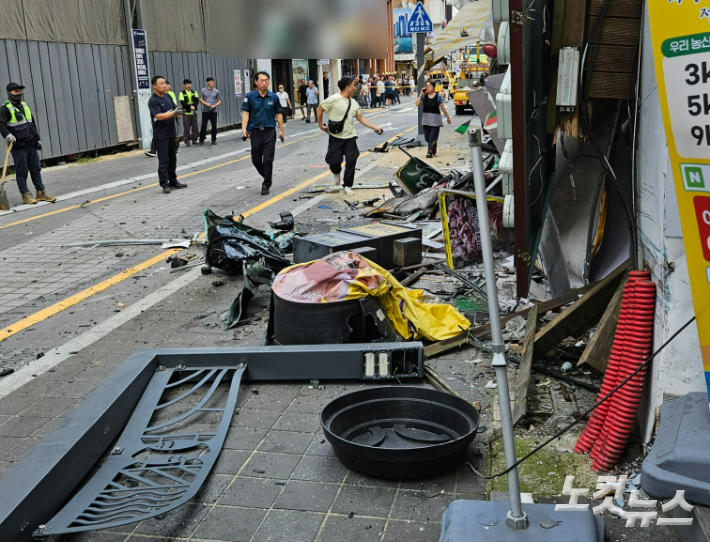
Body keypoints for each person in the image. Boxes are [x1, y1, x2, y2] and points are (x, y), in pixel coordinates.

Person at [317, 76, 383, 196]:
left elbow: (361, 118)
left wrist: (375, 127)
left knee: (352, 159)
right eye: (353, 85)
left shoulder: (354, 103)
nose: (355, 88)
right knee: (335, 161)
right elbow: (319, 109)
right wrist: (321, 125)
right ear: (347, 87)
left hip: (350, 137)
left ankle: (347, 185)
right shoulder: (334, 99)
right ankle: (336, 172)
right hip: (335, 137)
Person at [0, 82, 55, 204]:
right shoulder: (5, 108)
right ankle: (25, 195)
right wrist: (8, 135)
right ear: (9, 93)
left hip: (31, 144)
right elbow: (1, 125)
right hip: (18, 146)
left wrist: (37, 139)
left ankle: (41, 192)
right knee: (22, 170)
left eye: (20, 91)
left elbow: (32, 124)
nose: (19, 93)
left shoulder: (25, 105)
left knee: (36, 169)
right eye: (16, 91)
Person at [241, 71, 284, 196]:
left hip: (270, 131)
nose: (264, 83)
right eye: (261, 80)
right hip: (255, 132)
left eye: (266, 80)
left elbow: (279, 113)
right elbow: (246, 113)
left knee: (268, 159)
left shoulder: (274, 97)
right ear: (256, 82)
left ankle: (266, 184)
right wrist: (244, 129)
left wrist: (281, 130)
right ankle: (267, 175)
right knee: (256, 159)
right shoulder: (250, 97)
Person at [148, 75, 187, 194]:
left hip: (171, 134)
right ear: (154, 86)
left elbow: (175, 110)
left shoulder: (168, 97)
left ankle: (173, 181)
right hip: (161, 136)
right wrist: (173, 113)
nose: (164, 85)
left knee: (172, 160)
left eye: (165, 83)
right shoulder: (153, 100)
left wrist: (179, 113)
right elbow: (159, 116)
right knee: (164, 161)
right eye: (161, 83)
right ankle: (164, 184)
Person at [416, 79, 451, 159]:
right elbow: (417, 104)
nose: (427, 87)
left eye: (429, 86)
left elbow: (442, 108)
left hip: (435, 120)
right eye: (426, 86)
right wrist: (420, 95)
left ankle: (429, 152)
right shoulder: (424, 96)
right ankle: (433, 146)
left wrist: (448, 117)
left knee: (432, 136)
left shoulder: (438, 96)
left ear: (433, 87)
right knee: (427, 137)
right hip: (426, 120)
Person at [199, 77, 222, 145]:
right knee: (203, 125)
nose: (212, 83)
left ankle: (213, 140)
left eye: (213, 82)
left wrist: (215, 105)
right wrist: (206, 103)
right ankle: (201, 140)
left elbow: (219, 100)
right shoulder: (203, 90)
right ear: (207, 83)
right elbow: (200, 99)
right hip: (205, 111)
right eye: (211, 82)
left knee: (214, 125)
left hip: (213, 111)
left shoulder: (216, 91)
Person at [179, 79, 199, 146]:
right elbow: (182, 102)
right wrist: (190, 106)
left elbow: (197, 100)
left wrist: (194, 106)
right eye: (187, 84)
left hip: (193, 112)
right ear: (184, 85)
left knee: (195, 127)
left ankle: (194, 140)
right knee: (186, 127)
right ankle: (187, 141)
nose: (189, 85)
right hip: (186, 113)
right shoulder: (182, 93)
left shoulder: (194, 92)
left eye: (190, 84)